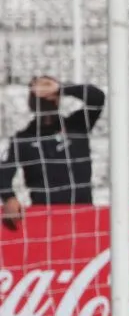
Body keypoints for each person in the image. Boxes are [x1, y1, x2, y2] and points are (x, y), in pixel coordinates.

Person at [0, 76, 105, 229]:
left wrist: (61, 88)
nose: (44, 97)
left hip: (83, 214)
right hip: (44, 218)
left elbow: (97, 97)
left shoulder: (77, 125)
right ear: (30, 101)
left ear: (58, 98)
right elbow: (3, 173)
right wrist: (9, 198)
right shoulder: (23, 139)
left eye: (48, 92)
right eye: (37, 93)